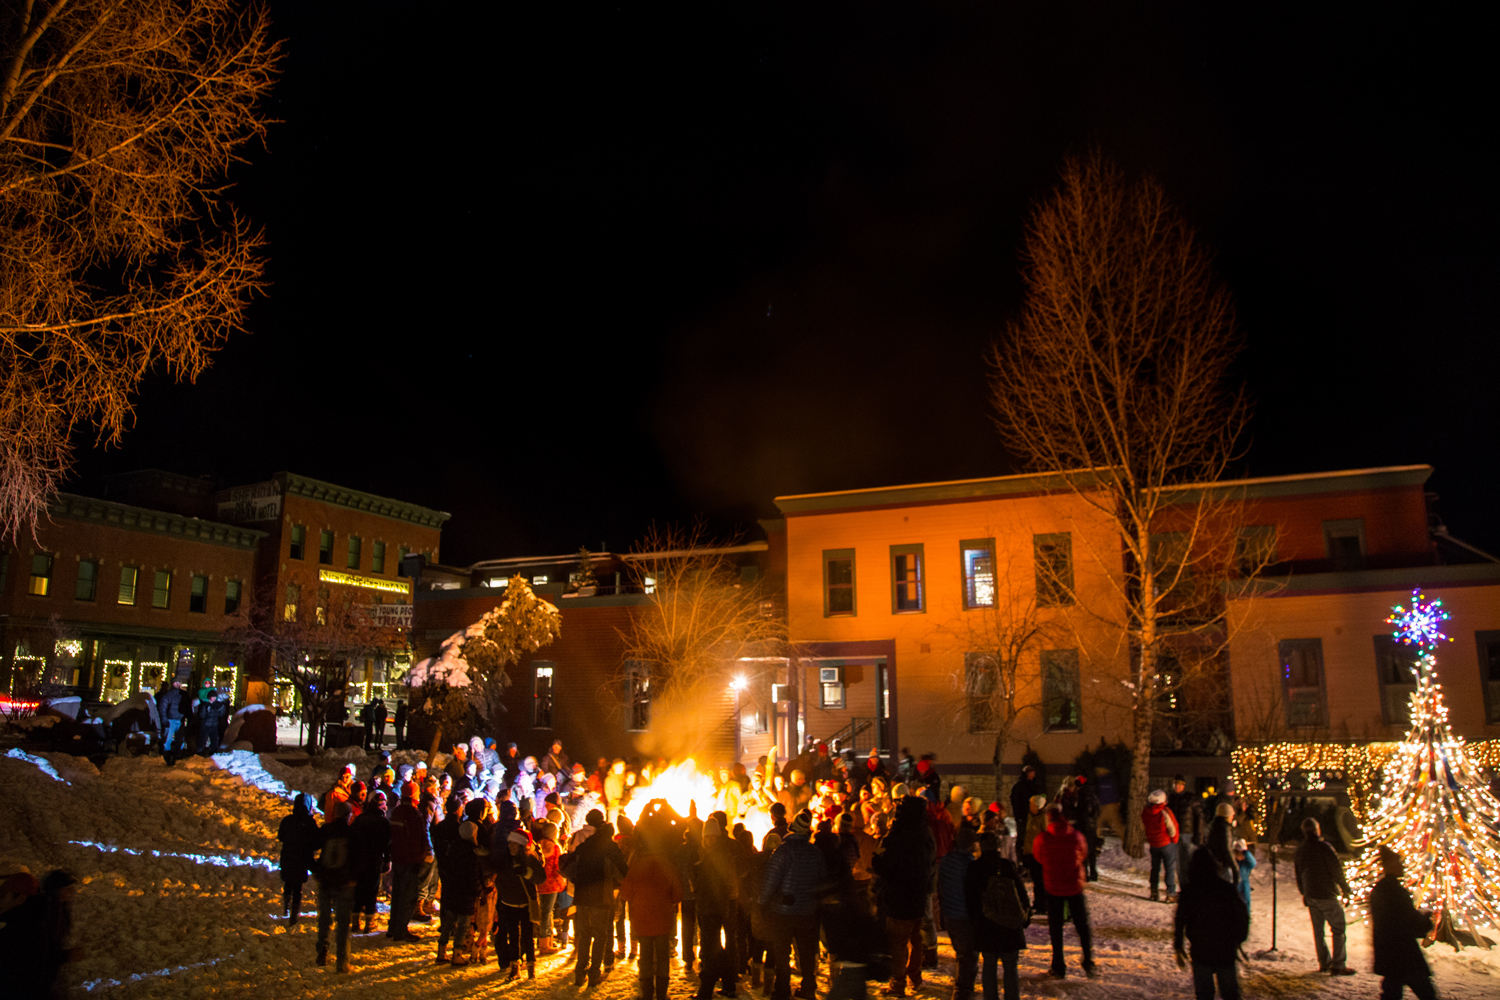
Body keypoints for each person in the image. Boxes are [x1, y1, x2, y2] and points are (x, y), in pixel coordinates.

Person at [873, 795, 937, 997]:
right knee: (915, 938)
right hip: (918, 896)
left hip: (899, 897)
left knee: (898, 942)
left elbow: (889, 866)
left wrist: (877, 862)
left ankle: (898, 983)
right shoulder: (924, 836)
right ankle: (914, 977)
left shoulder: (898, 837)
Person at [760, 810, 827, 1000]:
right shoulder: (816, 852)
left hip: (783, 911)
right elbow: (821, 880)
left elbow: (770, 881)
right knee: (806, 952)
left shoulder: (782, 851)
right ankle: (808, 987)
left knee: (782, 953)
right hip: (807, 911)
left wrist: (762, 903)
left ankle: (782, 989)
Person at [564, 810, 629, 987]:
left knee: (585, 935)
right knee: (600, 936)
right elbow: (623, 871)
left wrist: (575, 880)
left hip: (582, 895)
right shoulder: (610, 847)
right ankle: (594, 972)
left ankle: (580, 972)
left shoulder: (584, 845)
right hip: (601, 895)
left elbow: (567, 865)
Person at [620, 824, 685, 1000]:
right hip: (663, 919)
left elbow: (625, 893)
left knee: (646, 956)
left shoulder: (637, 867)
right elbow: (678, 894)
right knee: (663, 957)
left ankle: (647, 992)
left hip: (642, 919)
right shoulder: (667, 866)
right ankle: (662, 993)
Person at [1174, 850, 1250, 1000]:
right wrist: (1238, 939)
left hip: (1201, 948)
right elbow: (1242, 915)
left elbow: (1180, 919)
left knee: (1204, 994)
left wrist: (1179, 945)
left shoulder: (1190, 892)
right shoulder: (1226, 889)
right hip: (1225, 948)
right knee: (1230, 993)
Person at [964, 831, 1029, 1000]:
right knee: (1010, 966)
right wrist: (1024, 916)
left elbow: (970, 900)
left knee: (989, 965)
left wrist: (974, 923)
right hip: (1009, 925)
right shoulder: (1007, 866)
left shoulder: (974, 868)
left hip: (986, 924)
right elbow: (1021, 893)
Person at [1033, 803, 1095, 979]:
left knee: (1056, 928)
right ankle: (1088, 959)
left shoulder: (1043, 838)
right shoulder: (1076, 835)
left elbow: (1039, 857)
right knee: (1082, 924)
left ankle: (1058, 965)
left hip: (1054, 887)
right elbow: (1083, 853)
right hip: (1074, 886)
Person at [1370, 845, 1436, 1000]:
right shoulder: (1396, 892)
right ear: (1391, 865)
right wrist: (1426, 921)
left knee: (1392, 992)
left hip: (1389, 952)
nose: (1402, 866)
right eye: (1399, 862)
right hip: (1403, 953)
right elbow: (1407, 919)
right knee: (1426, 992)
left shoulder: (1380, 889)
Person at [1294, 817, 1355, 976]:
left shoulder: (1300, 850)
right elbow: (1336, 870)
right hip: (1326, 893)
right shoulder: (1324, 847)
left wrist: (1304, 892)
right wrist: (1345, 888)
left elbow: (1298, 874)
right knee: (1338, 928)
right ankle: (1338, 965)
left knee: (1318, 930)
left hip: (1311, 895)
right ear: (1316, 830)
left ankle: (1324, 962)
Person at [694, 816, 741, 999]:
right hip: (711, 907)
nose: (711, 840)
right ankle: (729, 984)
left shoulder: (716, 856)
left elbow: (723, 884)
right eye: (708, 837)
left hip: (713, 908)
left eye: (714, 837)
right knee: (716, 949)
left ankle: (705, 991)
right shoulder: (710, 855)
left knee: (711, 949)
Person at [494, 830, 545, 979]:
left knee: (528, 936)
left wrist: (527, 873)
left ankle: (530, 965)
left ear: (522, 845)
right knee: (513, 936)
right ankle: (515, 966)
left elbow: (541, 878)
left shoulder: (530, 860)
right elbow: (499, 878)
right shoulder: (505, 860)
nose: (510, 846)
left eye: (514, 843)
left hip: (526, 903)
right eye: (510, 843)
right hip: (509, 903)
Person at [314, 800, 357, 973]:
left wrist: (316, 869)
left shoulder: (326, 830)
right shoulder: (352, 833)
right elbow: (357, 858)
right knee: (343, 922)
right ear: (349, 815)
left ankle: (322, 953)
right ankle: (342, 961)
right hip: (344, 881)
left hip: (325, 880)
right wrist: (354, 876)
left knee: (324, 918)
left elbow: (311, 846)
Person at [939, 824, 979, 1000]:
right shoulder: (970, 864)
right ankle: (963, 990)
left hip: (949, 912)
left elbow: (941, 884)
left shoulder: (947, 860)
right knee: (968, 956)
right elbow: (973, 892)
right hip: (964, 915)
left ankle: (961, 985)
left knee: (960, 951)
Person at [386, 781, 429, 942]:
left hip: (397, 858)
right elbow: (417, 838)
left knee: (397, 895)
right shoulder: (413, 813)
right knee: (408, 896)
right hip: (410, 860)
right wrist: (420, 856)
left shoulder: (397, 811)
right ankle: (401, 930)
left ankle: (393, 927)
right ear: (413, 795)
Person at [350, 789, 391, 934]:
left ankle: (355, 921)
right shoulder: (383, 821)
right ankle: (369, 921)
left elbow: (352, 840)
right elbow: (387, 843)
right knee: (371, 890)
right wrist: (387, 860)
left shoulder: (360, 819)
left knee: (358, 889)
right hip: (374, 860)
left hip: (359, 859)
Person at [277, 793, 321, 926]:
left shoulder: (288, 820)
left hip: (288, 856)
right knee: (297, 886)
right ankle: (294, 915)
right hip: (302, 858)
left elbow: (281, 836)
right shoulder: (309, 823)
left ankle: (286, 907)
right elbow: (316, 841)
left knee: (288, 882)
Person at [1142, 788, 1180, 903]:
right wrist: (1174, 839)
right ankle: (1170, 894)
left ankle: (1154, 892)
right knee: (1169, 868)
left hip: (1154, 844)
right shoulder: (1164, 812)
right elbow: (1172, 828)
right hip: (1166, 843)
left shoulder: (1146, 812)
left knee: (1155, 868)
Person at [1167, 775, 1203, 887]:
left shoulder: (1191, 798)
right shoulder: (1171, 799)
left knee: (1190, 861)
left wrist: (1199, 835)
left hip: (1188, 833)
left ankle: (1193, 884)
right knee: (1179, 862)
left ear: (1183, 785)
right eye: (1175, 784)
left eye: (1179, 784)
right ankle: (1184, 886)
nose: (1177, 787)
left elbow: (1199, 817)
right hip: (1175, 834)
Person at [1020, 795, 1049, 911]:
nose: (1030, 807)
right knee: (1036, 880)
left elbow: (1047, 835)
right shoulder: (1031, 817)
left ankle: (1043, 904)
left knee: (1040, 880)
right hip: (1031, 853)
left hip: (1040, 854)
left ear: (1038, 806)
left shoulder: (1043, 818)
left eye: (1032, 805)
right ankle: (1038, 902)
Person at [1206, 802, 1239, 885]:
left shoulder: (1213, 825)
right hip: (1222, 864)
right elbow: (1227, 850)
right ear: (1226, 816)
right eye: (1231, 815)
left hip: (1214, 863)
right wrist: (1235, 868)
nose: (1232, 817)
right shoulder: (1224, 828)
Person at [157, 679, 187, 763]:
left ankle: (177, 755)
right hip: (170, 720)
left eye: (178, 682)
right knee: (168, 740)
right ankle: (167, 756)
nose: (177, 684)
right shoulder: (168, 695)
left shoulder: (183, 695)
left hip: (180, 720)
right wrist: (165, 719)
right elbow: (163, 708)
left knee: (179, 739)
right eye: (175, 683)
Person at [196, 688, 226, 754]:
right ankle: (199, 753)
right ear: (209, 697)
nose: (214, 698)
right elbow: (202, 715)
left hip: (214, 725)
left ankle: (212, 753)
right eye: (212, 697)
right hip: (206, 726)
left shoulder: (216, 705)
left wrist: (221, 708)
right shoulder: (205, 705)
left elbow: (221, 714)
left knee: (214, 740)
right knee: (202, 740)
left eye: (215, 697)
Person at [1232, 840, 1256, 918]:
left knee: (1245, 904)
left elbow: (1253, 863)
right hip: (1235, 888)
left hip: (1244, 888)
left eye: (1241, 854)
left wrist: (1246, 852)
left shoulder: (1245, 864)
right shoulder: (1233, 864)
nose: (1240, 856)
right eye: (1238, 853)